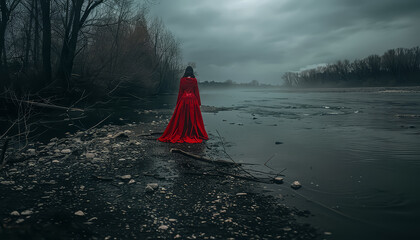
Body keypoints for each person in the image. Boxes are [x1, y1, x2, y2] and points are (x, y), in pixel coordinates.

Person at [157, 66, 209, 143]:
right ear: (192, 72)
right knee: (193, 118)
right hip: (193, 100)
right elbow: (196, 92)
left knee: (182, 117)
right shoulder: (194, 80)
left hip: (184, 100)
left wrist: (178, 103)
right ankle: (191, 132)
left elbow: (181, 92)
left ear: (186, 71)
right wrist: (199, 103)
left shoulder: (182, 80)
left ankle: (182, 131)